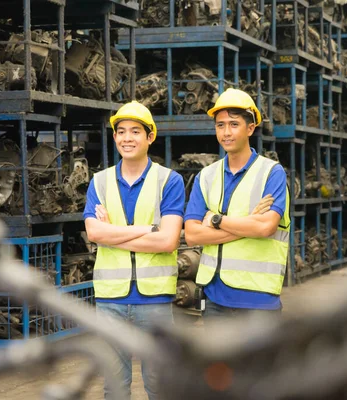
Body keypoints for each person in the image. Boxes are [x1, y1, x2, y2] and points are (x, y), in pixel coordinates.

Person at [83, 101, 185, 399]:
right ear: (114, 137)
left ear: (150, 137)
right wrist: (147, 229)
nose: (127, 138)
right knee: (114, 385)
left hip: (154, 298)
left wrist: (111, 234)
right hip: (110, 299)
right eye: (121, 132)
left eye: (136, 131)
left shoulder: (169, 180)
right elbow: (93, 233)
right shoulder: (99, 182)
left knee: (159, 383)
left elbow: (168, 241)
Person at [184, 88, 290, 320]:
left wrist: (215, 220)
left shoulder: (271, 173)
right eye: (220, 125)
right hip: (214, 297)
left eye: (234, 124)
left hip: (259, 299)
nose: (226, 132)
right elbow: (192, 234)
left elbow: (265, 228)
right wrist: (247, 224)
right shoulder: (206, 176)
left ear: (250, 128)